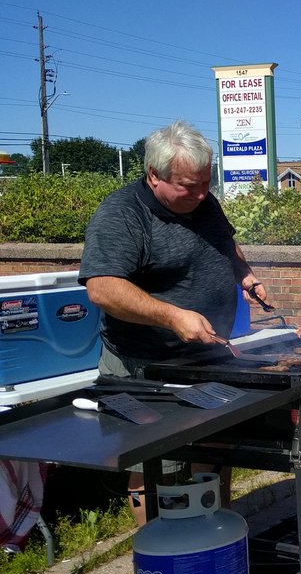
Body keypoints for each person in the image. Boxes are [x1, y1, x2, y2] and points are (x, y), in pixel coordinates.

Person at [79, 120, 266, 525]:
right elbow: (103, 289)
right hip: (144, 364)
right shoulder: (121, 214)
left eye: (206, 183)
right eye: (188, 186)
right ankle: (159, 546)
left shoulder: (203, 202)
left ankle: (216, 530)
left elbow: (224, 242)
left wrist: (244, 274)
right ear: (153, 174)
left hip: (207, 359)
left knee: (214, 449)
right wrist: (172, 315)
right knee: (152, 464)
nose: (201, 195)